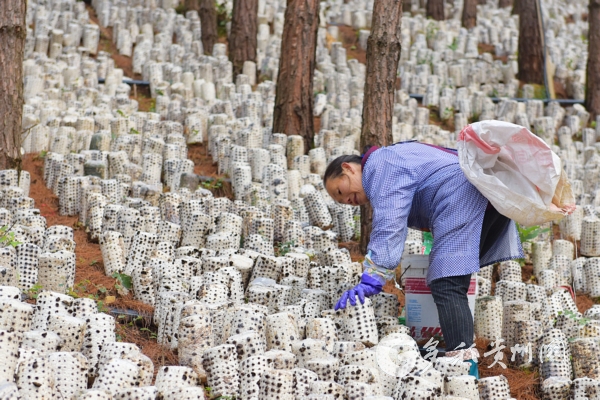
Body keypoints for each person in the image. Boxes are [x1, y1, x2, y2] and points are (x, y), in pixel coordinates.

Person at [323, 141, 524, 377]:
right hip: (482, 192)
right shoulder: (392, 156)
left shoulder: (379, 166)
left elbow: (390, 222)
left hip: (461, 196)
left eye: (340, 191)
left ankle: (464, 367)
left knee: (447, 282)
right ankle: (458, 353)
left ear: (348, 168)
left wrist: (373, 274)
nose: (347, 200)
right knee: (451, 279)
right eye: (341, 201)